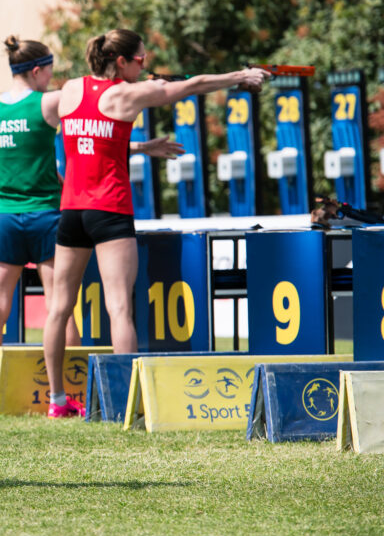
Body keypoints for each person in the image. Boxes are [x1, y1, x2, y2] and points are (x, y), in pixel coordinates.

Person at [42, 29, 269, 417]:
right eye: (141, 60)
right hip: (110, 211)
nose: (145, 65)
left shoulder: (66, 92)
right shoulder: (126, 95)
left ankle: (57, 401)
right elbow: (192, 86)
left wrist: (142, 147)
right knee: (119, 308)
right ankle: (128, 405)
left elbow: (84, 138)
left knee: (59, 308)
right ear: (121, 62)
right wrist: (240, 76)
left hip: (72, 212)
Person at [0, 36, 181, 418]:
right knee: (61, 309)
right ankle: (69, 393)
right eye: (51, 70)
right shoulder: (49, 101)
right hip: (46, 214)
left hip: (3, 216)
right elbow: (90, 132)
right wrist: (141, 147)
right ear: (39, 70)